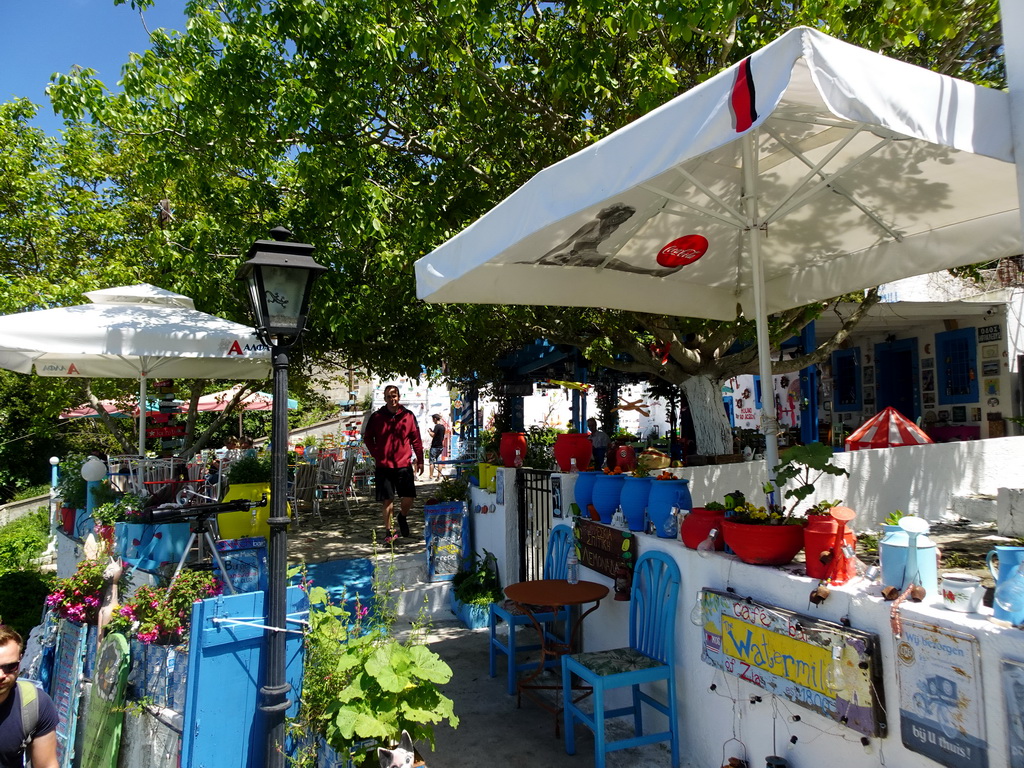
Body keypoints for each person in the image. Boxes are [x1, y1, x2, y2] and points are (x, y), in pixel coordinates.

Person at [363, 386, 424, 543]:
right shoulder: (377, 417)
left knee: (409, 497)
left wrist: (421, 459)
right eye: (389, 396)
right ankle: (389, 531)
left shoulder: (408, 416)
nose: (392, 399)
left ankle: (402, 516)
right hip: (384, 466)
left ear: (399, 396)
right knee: (387, 500)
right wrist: (377, 454)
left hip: (403, 464)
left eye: (394, 396)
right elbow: (368, 438)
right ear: (385, 398)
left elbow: (416, 439)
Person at [0, 625, 58, 768]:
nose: (1, 675)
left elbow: (46, 764)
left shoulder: (34, 704)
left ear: (20, 661)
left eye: (10, 666)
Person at [428, 414, 447, 480]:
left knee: (432, 462)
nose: (433, 421)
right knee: (439, 461)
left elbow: (433, 435)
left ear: (435, 419)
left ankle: (431, 476)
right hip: (440, 446)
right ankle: (439, 475)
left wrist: (429, 431)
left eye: (433, 419)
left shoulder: (437, 426)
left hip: (435, 446)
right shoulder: (443, 427)